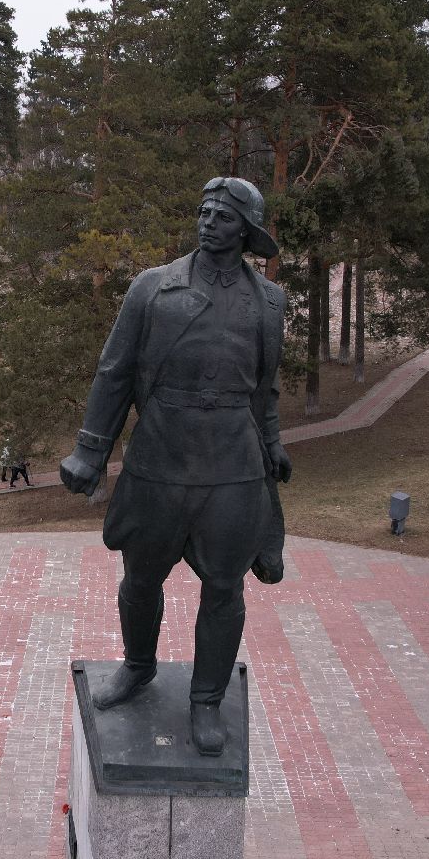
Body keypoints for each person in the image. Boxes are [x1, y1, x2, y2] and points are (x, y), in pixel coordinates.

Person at [60, 176, 291, 756]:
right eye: (204, 211)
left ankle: (206, 699)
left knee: (225, 586)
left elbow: (264, 388)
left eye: (223, 216)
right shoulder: (153, 288)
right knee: (141, 577)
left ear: (247, 231)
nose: (208, 222)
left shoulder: (269, 302)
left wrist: (273, 443)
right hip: (160, 454)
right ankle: (138, 665)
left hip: (233, 462)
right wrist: (90, 450)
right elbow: (114, 372)